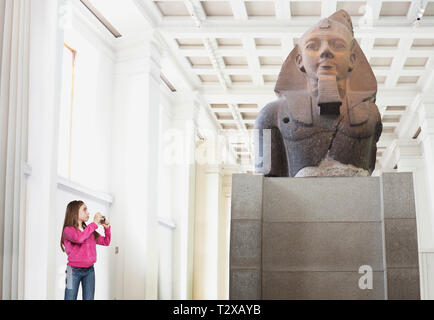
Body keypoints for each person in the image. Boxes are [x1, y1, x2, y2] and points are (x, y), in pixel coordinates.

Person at [60, 200, 111, 300]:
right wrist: (94, 223)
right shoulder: (68, 230)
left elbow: (106, 241)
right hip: (72, 271)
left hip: (89, 271)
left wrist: (107, 228)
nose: (88, 212)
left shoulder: (90, 231)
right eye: (84, 209)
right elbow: (79, 238)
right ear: (75, 212)